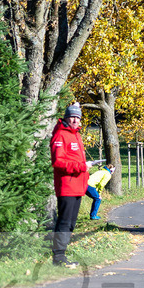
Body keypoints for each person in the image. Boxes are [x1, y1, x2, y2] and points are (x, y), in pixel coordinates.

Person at [49, 101, 93, 267]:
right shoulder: (60, 135)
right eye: (72, 117)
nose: (75, 120)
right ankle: (58, 257)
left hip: (77, 186)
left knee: (71, 222)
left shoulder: (76, 134)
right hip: (67, 186)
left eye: (77, 117)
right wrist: (82, 166)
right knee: (65, 221)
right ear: (66, 118)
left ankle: (62, 256)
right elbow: (58, 162)